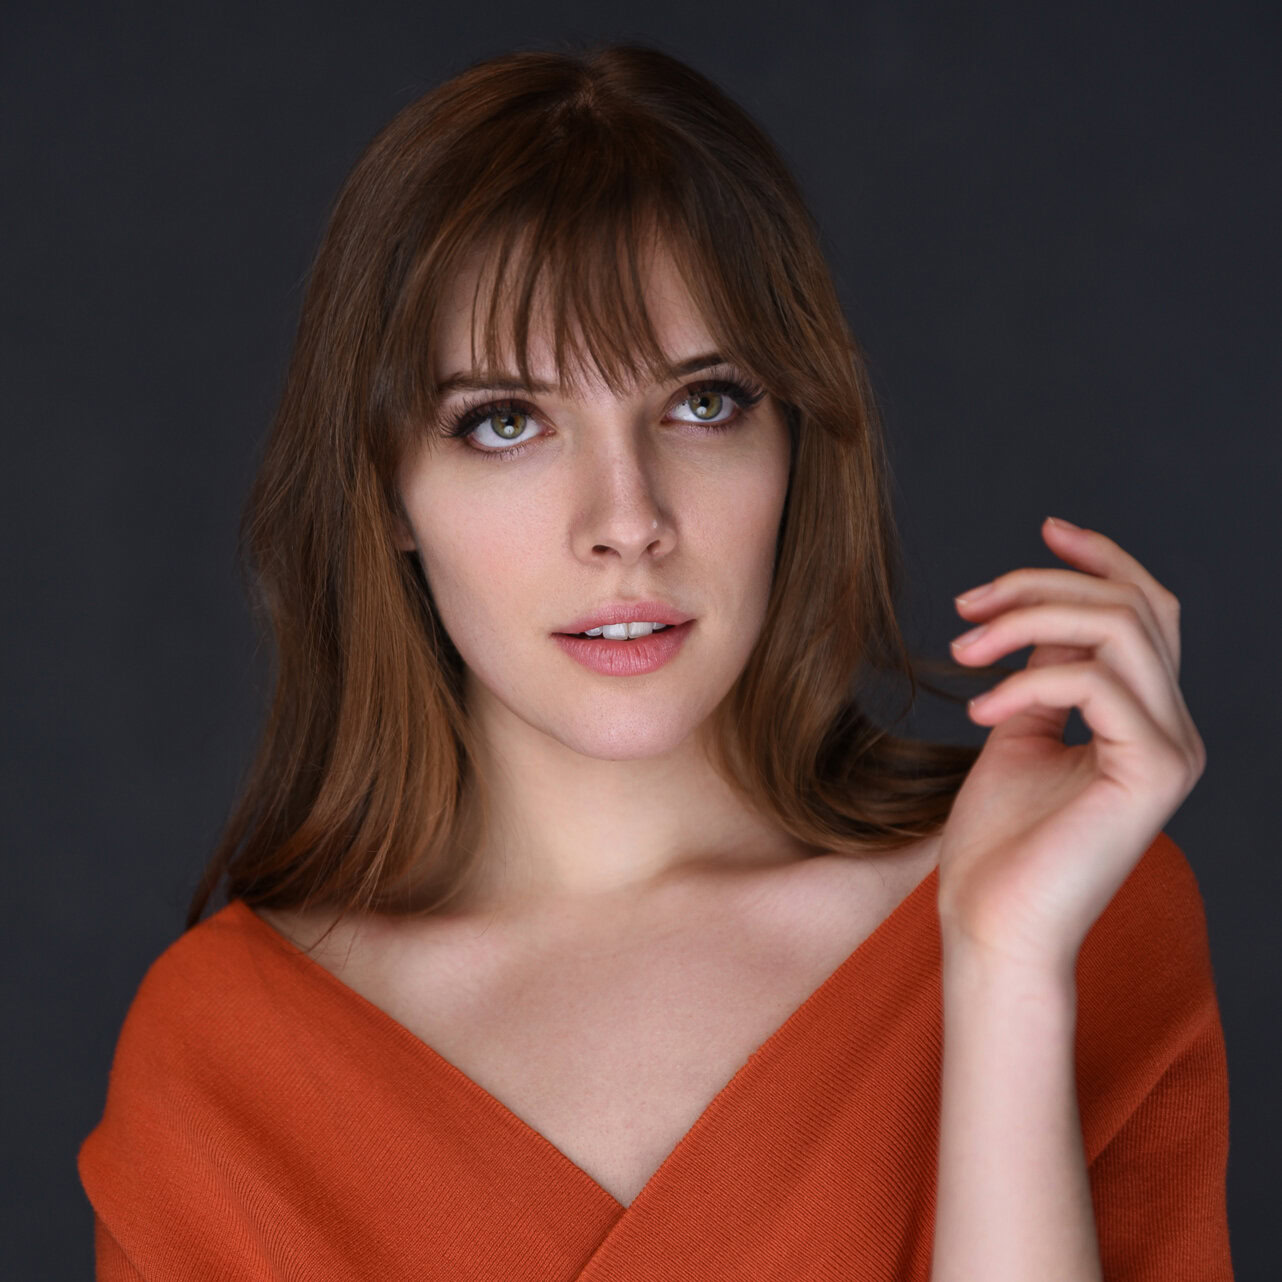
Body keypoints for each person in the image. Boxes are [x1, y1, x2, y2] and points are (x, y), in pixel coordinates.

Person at [78, 42, 1232, 1280]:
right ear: (386, 490)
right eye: (506, 423)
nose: (625, 518)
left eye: (702, 403)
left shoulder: (1069, 905)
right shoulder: (222, 1063)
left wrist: (1004, 977)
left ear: (798, 437)